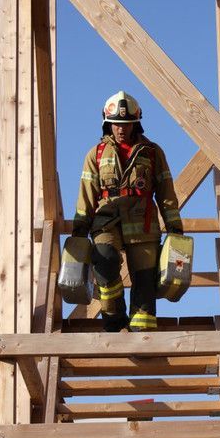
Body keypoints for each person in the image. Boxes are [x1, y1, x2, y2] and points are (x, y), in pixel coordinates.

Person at [73, 90, 183, 332]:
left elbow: (165, 191)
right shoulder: (96, 154)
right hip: (107, 221)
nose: (121, 129)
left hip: (143, 224)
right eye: (116, 124)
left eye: (126, 124)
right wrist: (80, 228)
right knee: (104, 261)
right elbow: (86, 193)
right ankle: (114, 317)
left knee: (145, 282)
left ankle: (142, 333)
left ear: (136, 123)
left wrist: (174, 226)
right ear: (107, 124)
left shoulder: (152, 152)